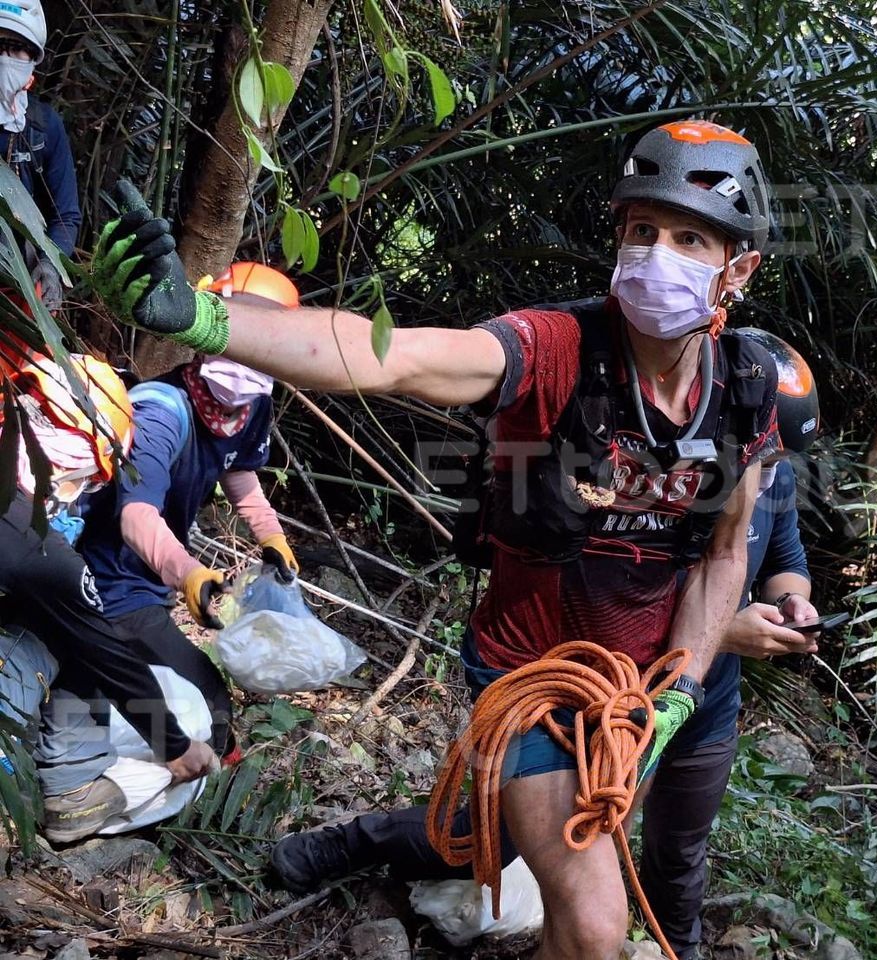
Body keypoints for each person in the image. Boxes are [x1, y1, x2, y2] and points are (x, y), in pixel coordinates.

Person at [89, 119, 781, 959]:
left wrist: (680, 688)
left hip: (636, 691)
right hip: (532, 676)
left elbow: (726, 554)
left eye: (688, 239)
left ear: (738, 269)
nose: (654, 255)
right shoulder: (556, 348)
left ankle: (365, 842)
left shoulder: (746, 389)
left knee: (505, 850)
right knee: (596, 927)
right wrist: (204, 318)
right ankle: (360, 844)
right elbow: (393, 358)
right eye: (642, 230)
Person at [640, 327, 822, 959]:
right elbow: (623, 591)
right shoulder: (658, 473)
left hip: (710, 708)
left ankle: (677, 949)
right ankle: (362, 845)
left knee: (680, 851)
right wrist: (726, 630)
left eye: (778, 459)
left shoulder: (773, 477)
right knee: (576, 830)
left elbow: (786, 559)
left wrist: (791, 603)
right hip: (631, 695)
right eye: (762, 455)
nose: (769, 472)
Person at [78, 263, 300, 761]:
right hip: (110, 580)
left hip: (149, 579)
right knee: (206, 692)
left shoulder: (251, 407)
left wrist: (271, 534)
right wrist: (188, 573)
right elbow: (136, 516)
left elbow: (238, 469)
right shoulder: (161, 411)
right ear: (206, 333)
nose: (243, 361)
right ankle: (212, 782)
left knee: (164, 693)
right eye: (234, 339)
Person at [0, 349, 215, 841]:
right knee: (66, 637)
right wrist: (176, 747)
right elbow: (103, 648)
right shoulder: (36, 547)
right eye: (85, 482)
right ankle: (71, 789)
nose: (80, 495)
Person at [0, 0, 80, 309]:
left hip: (21, 289)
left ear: (33, 58)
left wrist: (51, 265)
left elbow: (66, 215)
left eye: (17, 49)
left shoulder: (43, 127)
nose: (5, 58)